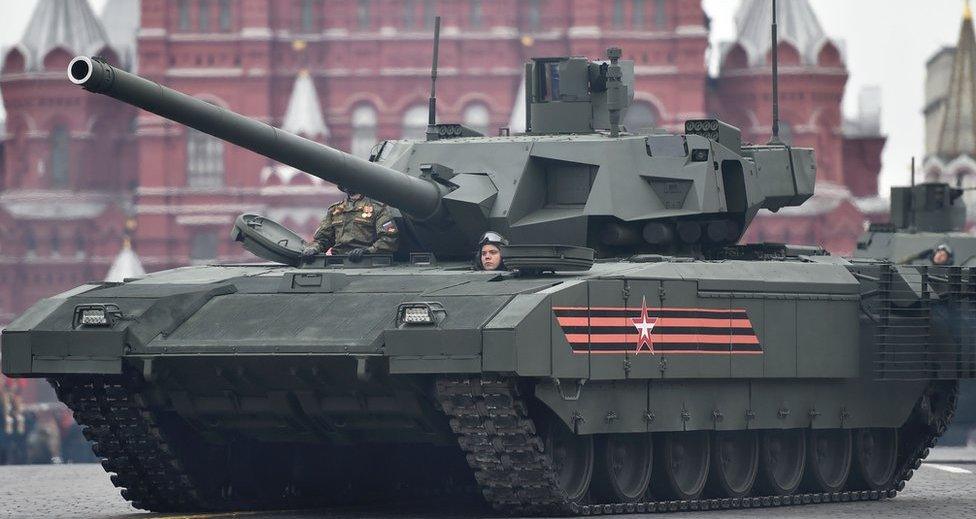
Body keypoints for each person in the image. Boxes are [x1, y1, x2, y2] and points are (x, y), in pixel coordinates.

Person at [302, 187, 399, 262]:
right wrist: (313, 249)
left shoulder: (378, 208)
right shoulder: (335, 209)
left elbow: (389, 238)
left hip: (366, 262)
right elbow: (322, 239)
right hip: (337, 262)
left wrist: (368, 251)